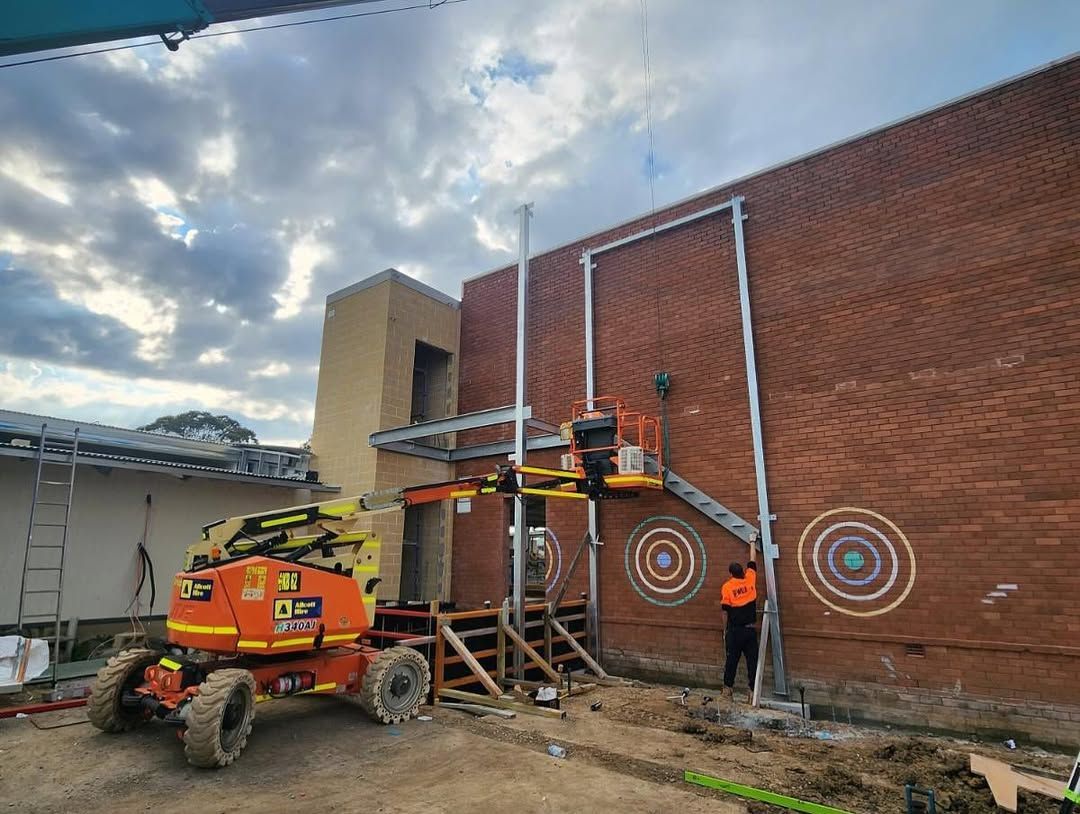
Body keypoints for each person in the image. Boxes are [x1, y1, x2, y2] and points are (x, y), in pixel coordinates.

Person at [720, 539, 758, 702]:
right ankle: (752, 692)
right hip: (750, 630)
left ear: (730, 574)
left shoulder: (727, 587)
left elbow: (725, 612)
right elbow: (752, 560)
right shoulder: (750, 579)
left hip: (735, 631)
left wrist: (724, 631)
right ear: (742, 571)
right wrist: (752, 542)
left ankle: (728, 690)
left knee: (731, 661)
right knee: (752, 662)